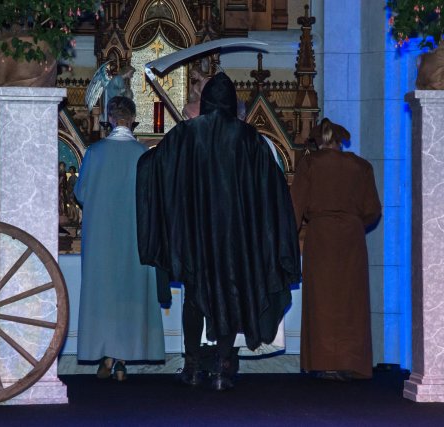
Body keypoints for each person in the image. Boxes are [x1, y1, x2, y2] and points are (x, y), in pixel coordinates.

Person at [136, 72, 300, 391]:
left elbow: (154, 166)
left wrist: (150, 159)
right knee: (229, 297)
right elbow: (272, 187)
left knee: (194, 298)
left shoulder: (186, 134)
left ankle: (192, 367)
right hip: (236, 238)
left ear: (208, 101)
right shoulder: (249, 138)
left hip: (194, 236)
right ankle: (223, 369)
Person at [74, 96, 165, 381]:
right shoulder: (143, 153)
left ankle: (107, 355)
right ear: (133, 119)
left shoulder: (95, 152)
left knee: (105, 296)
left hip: (102, 236)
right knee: (129, 295)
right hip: (135, 236)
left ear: (110, 119)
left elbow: (81, 194)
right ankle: (122, 360)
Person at [292, 118, 381, 381]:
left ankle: (324, 362)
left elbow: (295, 207)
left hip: (321, 237)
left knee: (322, 299)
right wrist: (352, 223)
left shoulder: (310, 164)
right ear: (340, 142)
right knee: (351, 299)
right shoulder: (361, 166)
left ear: (317, 141)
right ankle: (351, 362)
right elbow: (373, 210)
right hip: (352, 238)